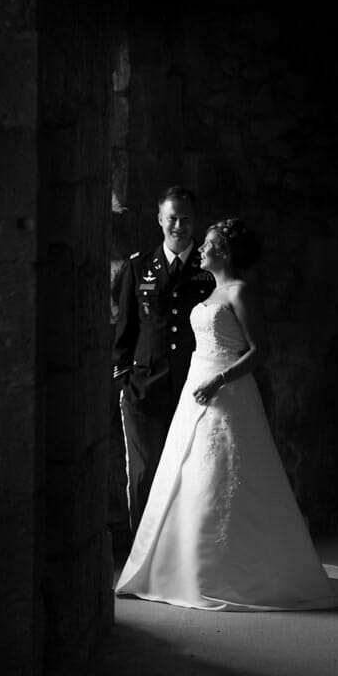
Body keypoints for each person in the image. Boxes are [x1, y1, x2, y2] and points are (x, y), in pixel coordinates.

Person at [116, 218, 338, 610]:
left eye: (208, 244)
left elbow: (260, 350)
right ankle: (174, 567)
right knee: (185, 472)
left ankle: (217, 571)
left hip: (225, 390)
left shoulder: (240, 291)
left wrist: (220, 380)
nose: (200, 249)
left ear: (224, 252)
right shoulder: (211, 290)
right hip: (195, 388)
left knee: (220, 474)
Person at [113, 186, 215, 536]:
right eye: (172, 218)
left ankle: (182, 554)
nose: (179, 226)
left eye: (186, 219)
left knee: (192, 473)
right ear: (160, 219)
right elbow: (124, 328)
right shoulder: (139, 266)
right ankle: (143, 557)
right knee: (144, 474)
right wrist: (124, 377)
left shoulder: (209, 269)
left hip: (193, 386)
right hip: (144, 386)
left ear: (194, 221)